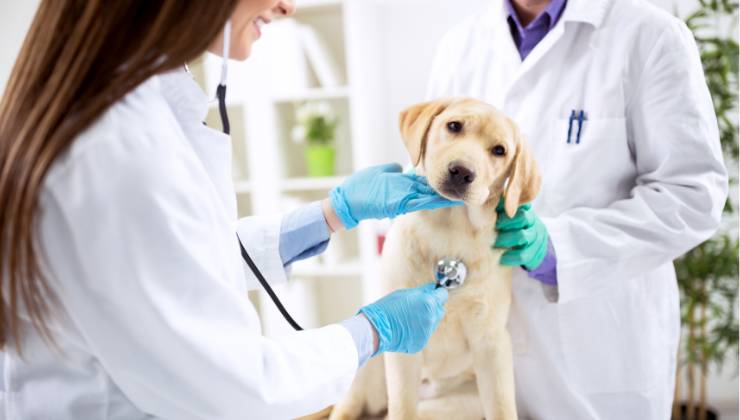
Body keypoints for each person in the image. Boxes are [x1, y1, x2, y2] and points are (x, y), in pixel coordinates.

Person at [0, 1, 460, 419]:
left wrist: (331, 215)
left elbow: (175, 265)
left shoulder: (136, 107)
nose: (286, 7)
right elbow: (241, 386)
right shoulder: (115, 150)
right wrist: (373, 331)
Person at [427, 0, 728, 418]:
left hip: (597, 359)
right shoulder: (460, 45)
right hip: (475, 367)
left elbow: (692, 195)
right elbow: (438, 170)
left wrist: (559, 249)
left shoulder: (650, 36)